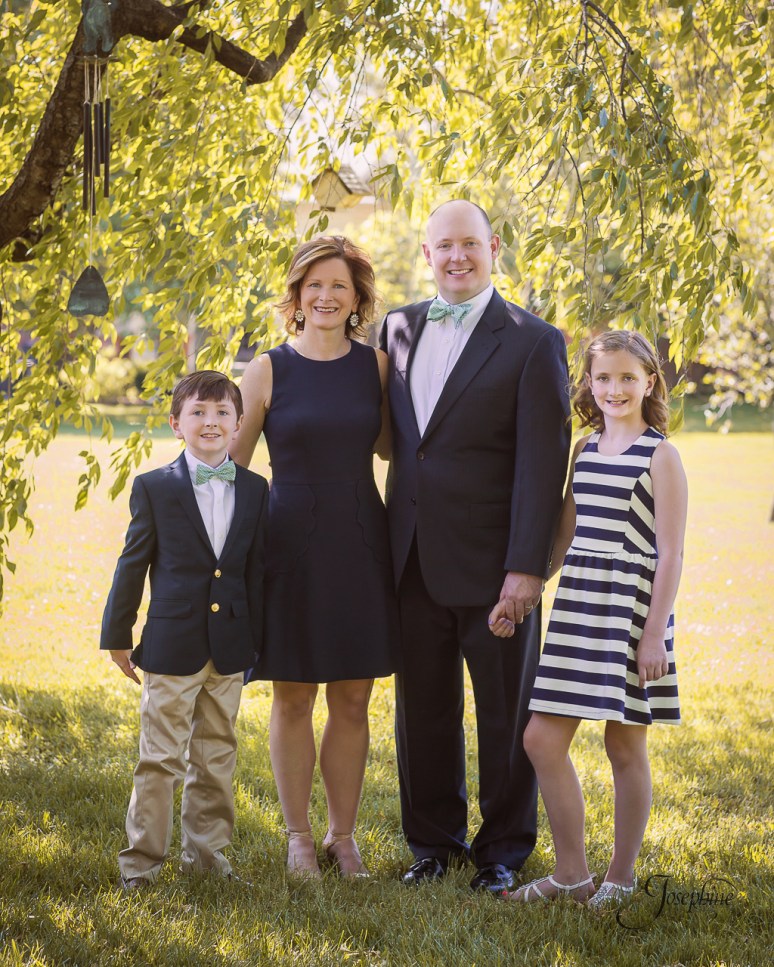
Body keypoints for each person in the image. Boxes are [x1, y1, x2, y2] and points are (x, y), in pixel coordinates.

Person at [378, 199, 571, 893]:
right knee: (421, 711)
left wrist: (526, 569)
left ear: (492, 247)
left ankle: (504, 852)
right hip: (411, 560)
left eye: (469, 244)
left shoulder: (531, 339)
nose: (456, 257)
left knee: (505, 714)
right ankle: (432, 844)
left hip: (496, 567)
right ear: (425, 254)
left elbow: (542, 465)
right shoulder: (396, 327)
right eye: (442, 246)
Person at [231, 235, 397, 879]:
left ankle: (343, 835)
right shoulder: (267, 369)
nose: (326, 296)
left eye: (340, 286)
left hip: (360, 542)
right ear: (296, 297)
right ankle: (299, 836)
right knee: (293, 694)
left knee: (353, 696)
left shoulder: (376, 367)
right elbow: (235, 467)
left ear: (358, 299)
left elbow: (392, 449)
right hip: (288, 543)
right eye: (314, 285)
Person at [507, 330, 687, 906]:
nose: (614, 388)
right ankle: (571, 874)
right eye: (603, 377)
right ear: (588, 382)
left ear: (648, 383)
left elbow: (671, 552)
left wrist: (654, 632)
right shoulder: (583, 449)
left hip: (632, 613)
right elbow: (565, 533)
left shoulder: (661, 454)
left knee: (624, 748)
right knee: (540, 739)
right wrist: (528, 590)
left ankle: (621, 877)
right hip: (579, 606)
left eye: (627, 377)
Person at [100, 370, 268, 889]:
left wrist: (258, 640)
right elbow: (132, 563)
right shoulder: (154, 487)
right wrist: (118, 635)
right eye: (198, 412)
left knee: (217, 753)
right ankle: (143, 864)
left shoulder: (257, 490)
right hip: (172, 644)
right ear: (176, 423)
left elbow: (257, 571)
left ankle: (207, 856)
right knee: (159, 758)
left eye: (222, 413)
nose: (211, 422)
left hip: (230, 646)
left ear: (240, 425)